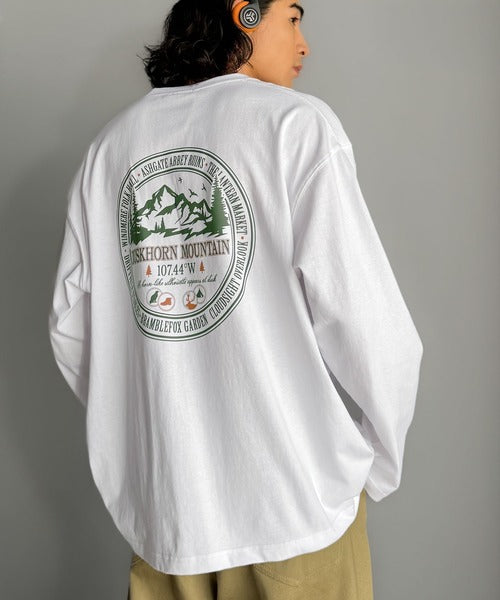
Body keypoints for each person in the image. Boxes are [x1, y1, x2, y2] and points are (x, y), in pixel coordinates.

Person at [48, 0, 424, 598]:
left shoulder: (110, 149)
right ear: (242, 13)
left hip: (170, 524)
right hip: (294, 514)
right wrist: (371, 464)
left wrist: (149, 428)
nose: (304, 43)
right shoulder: (295, 126)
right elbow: (372, 327)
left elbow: (72, 330)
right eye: (293, 18)